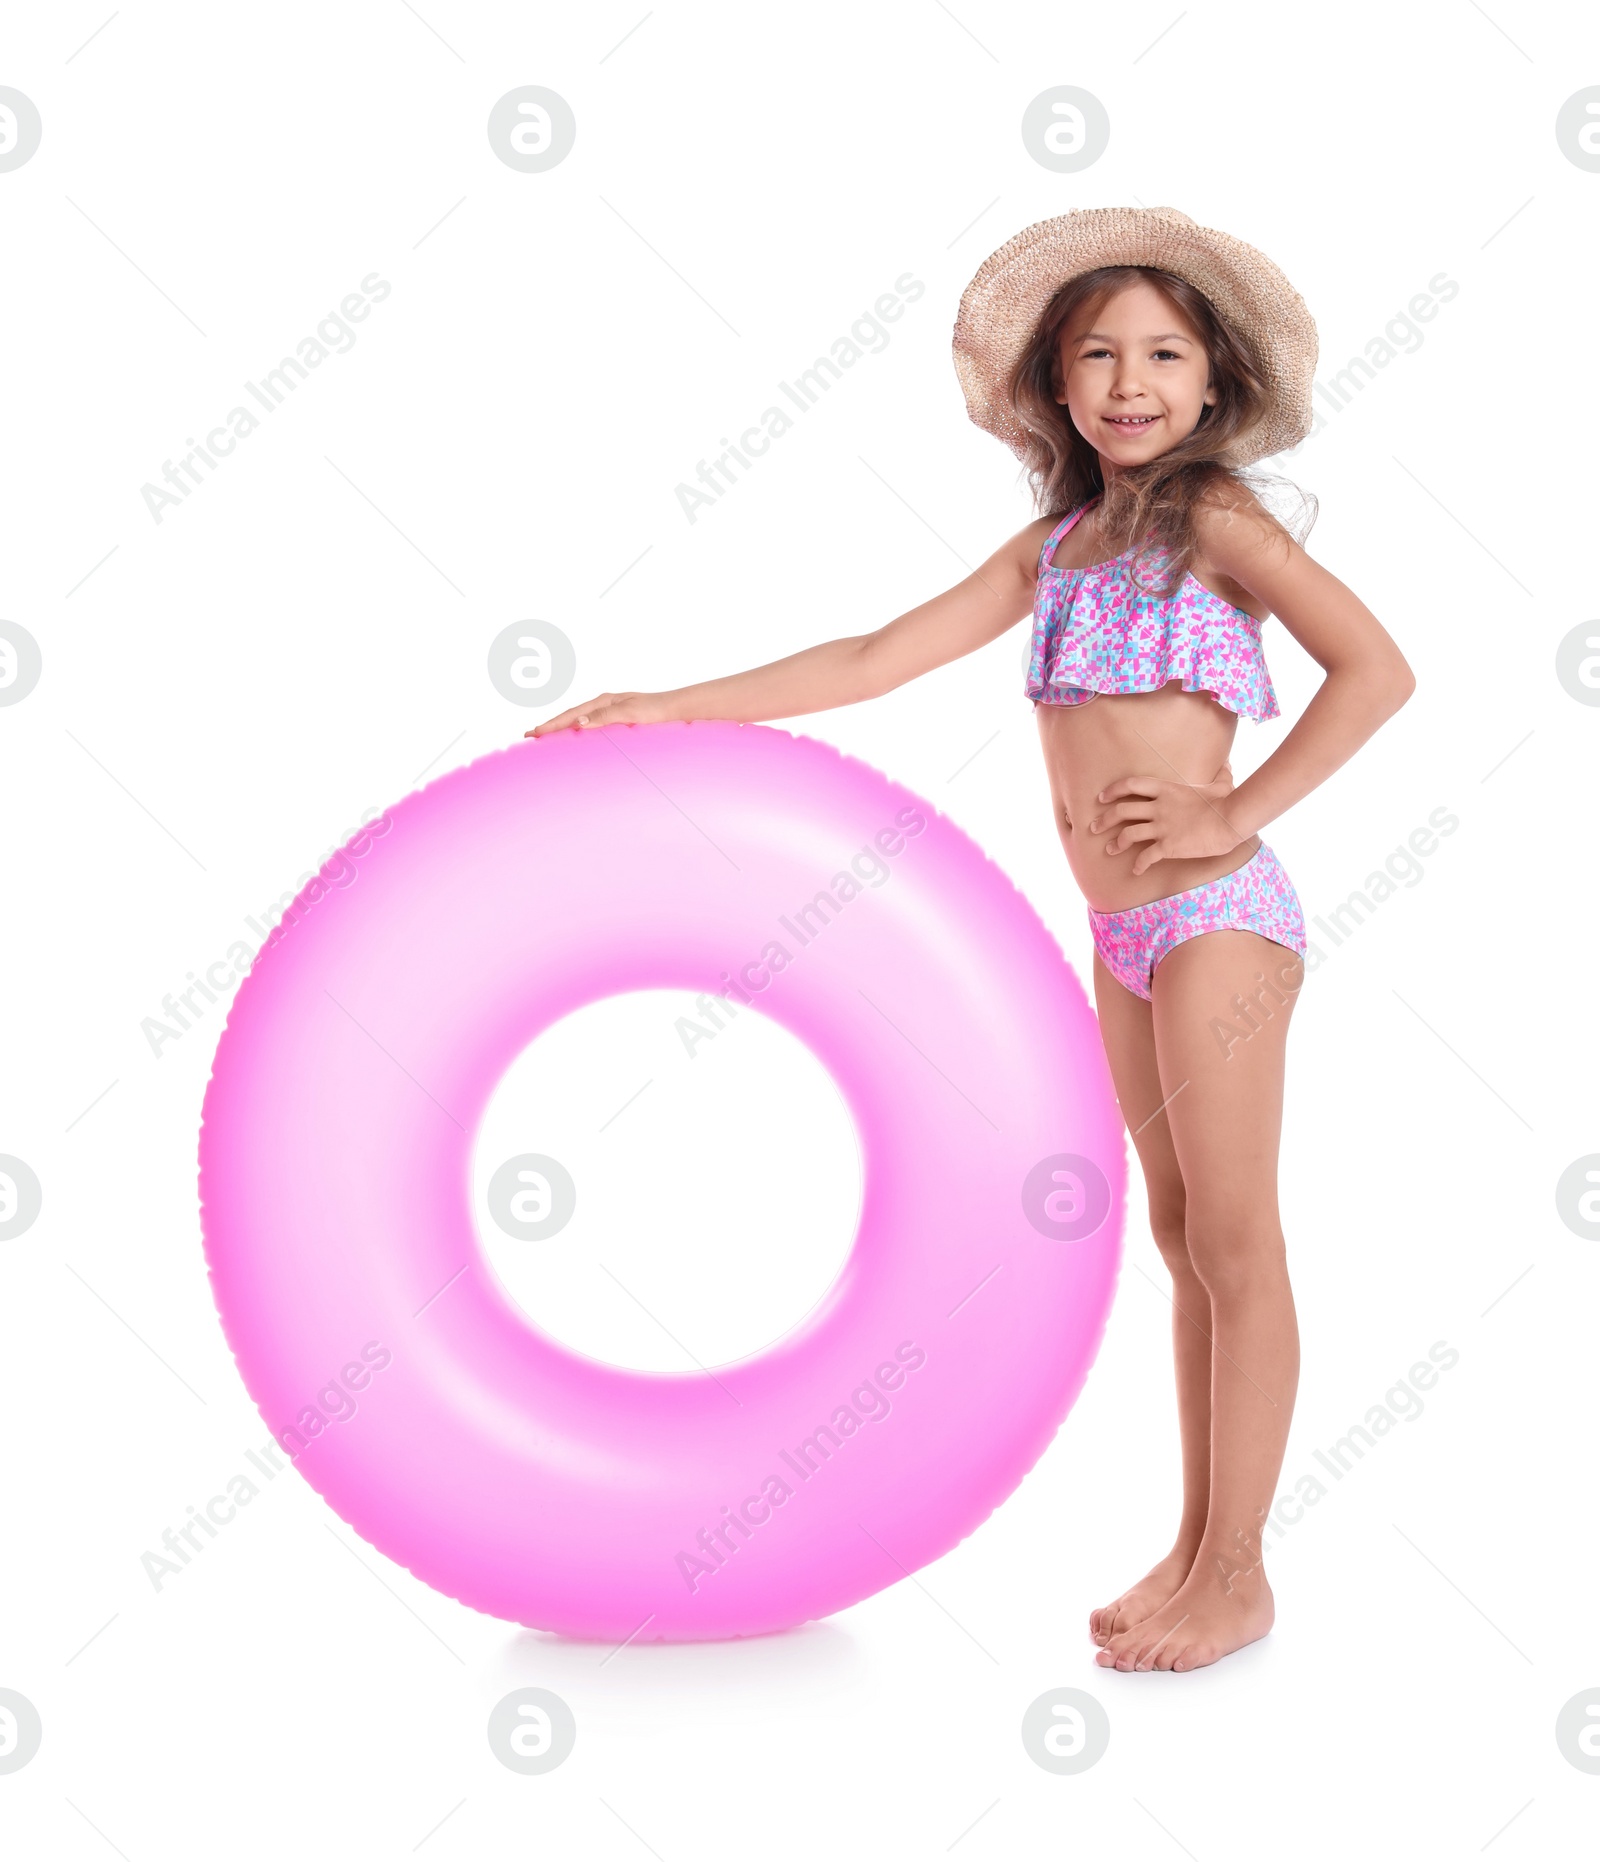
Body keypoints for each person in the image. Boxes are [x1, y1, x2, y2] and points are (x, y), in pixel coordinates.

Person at [530, 207, 1415, 1674]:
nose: (1130, 382)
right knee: (1183, 1234)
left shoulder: (1218, 524)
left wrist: (1233, 811)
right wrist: (665, 703)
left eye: (1163, 354)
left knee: (1239, 1234)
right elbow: (874, 656)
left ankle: (1242, 1568)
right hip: (1120, 934)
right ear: (1058, 391)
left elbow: (1379, 670)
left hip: (1219, 921)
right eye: (1097, 356)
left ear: (1212, 385)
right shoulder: (1060, 546)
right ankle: (1199, 1546)